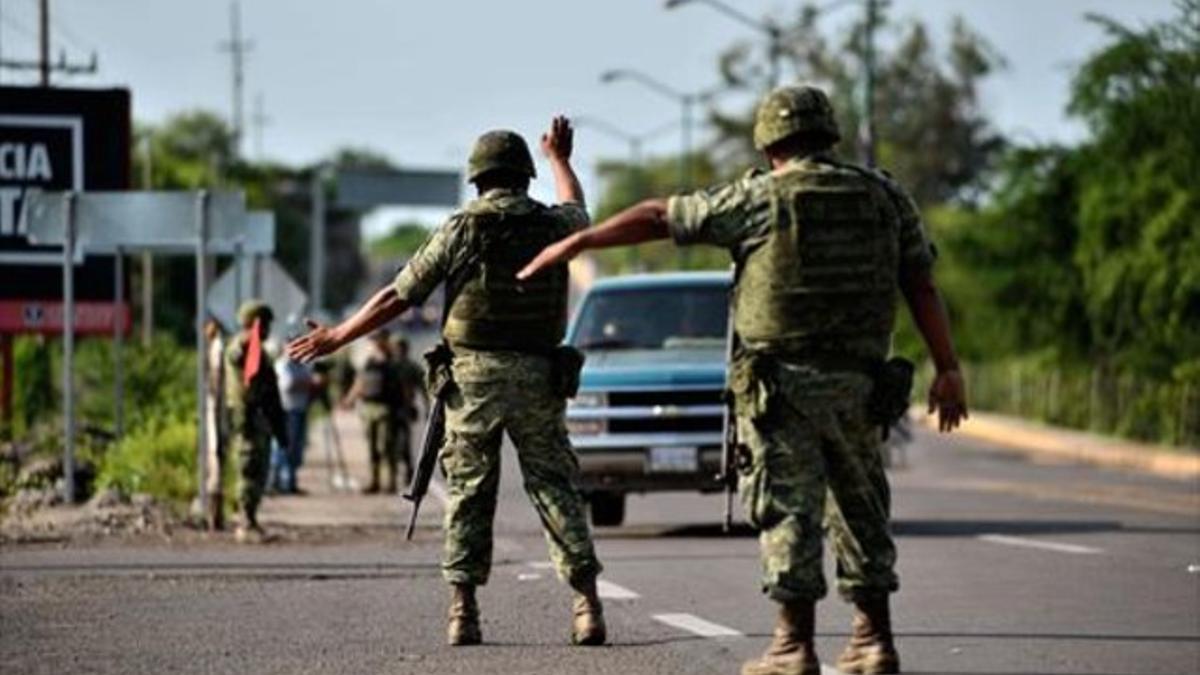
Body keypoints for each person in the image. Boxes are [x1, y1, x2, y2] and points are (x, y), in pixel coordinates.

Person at [517, 87, 969, 675]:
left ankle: (792, 645)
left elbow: (661, 216)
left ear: (769, 143)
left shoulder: (758, 199)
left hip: (781, 387)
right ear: (829, 136)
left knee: (787, 509)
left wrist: (581, 239)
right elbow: (922, 285)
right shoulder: (884, 197)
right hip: (861, 385)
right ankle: (873, 637)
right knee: (860, 506)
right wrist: (949, 366)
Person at [287, 116, 607, 647]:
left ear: (477, 180)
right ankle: (587, 606)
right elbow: (579, 211)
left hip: (474, 379)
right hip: (538, 376)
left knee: (468, 493)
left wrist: (338, 336)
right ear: (526, 176)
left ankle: (463, 612)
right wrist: (561, 159)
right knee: (556, 489)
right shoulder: (555, 225)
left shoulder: (462, 228)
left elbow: (398, 296)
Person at [225, 300, 290, 543]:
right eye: (266, 324)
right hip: (248, 419)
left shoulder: (259, 350)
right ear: (256, 323)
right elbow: (236, 355)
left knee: (259, 471)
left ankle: (251, 520)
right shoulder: (243, 346)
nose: (269, 329)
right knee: (249, 469)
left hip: (260, 419)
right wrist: (247, 338)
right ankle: (245, 523)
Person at [342, 328, 402, 495]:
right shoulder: (369, 361)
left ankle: (391, 482)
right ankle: (374, 481)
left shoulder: (392, 361)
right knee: (372, 447)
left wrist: (405, 407)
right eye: (373, 339)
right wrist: (349, 400)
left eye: (378, 339)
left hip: (386, 408)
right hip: (369, 408)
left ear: (385, 339)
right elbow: (360, 382)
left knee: (386, 447)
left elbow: (404, 386)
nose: (375, 342)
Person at [274, 335, 320, 494]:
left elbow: (310, 383)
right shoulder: (282, 364)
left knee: (296, 449)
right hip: (287, 410)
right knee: (284, 448)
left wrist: (313, 385)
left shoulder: (302, 365)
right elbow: (288, 385)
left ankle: (291, 482)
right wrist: (309, 383)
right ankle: (280, 482)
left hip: (300, 409)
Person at [390, 334, 427, 487]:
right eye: (397, 347)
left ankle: (409, 472)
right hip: (389, 408)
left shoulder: (412, 367)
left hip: (404, 408)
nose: (399, 350)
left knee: (404, 443)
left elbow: (424, 388)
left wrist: (428, 408)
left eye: (401, 347)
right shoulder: (389, 365)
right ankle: (392, 475)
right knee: (389, 443)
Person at [203, 316, 228, 531]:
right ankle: (212, 516)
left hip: (218, 411)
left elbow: (218, 381)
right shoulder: (212, 347)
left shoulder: (219, 347)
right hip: (213, 409)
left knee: (217, 461)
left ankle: (216, 517)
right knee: (213, 464)